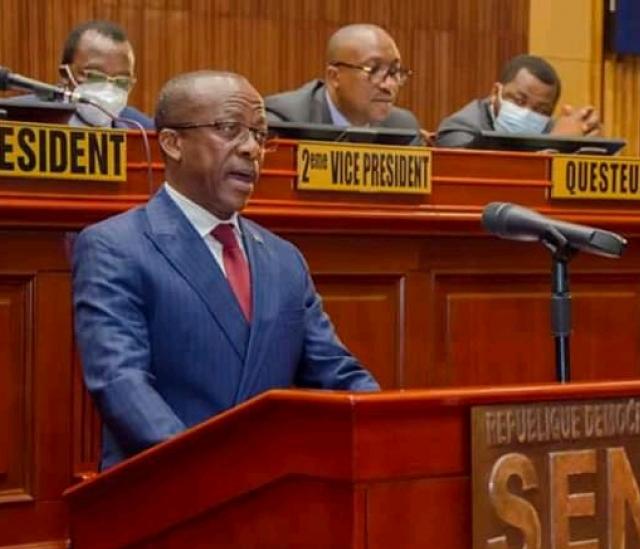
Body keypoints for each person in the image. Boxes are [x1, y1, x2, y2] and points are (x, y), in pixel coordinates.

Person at [72, 70, 379, 470]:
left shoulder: (284, 259)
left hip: (272, 498)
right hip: (168, 496)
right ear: (172, 143)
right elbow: (121, 384)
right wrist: (211, 473)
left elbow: (336, 373)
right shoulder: (116, 246)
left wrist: (385, 424)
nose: (251, 148)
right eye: (230, 129)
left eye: (259, 134)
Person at [265, 24, 419, 130]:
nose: (389, 85)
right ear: (334, 77)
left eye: (394, 71)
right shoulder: (287, 122)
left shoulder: (402, 127)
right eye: (373, 70)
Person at [436, 54, 602, 148]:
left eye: (541, 110)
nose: (527, 113)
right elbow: (486, 177)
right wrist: (555, 144)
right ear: (495, 93)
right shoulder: (459, 128)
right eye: (519, 101)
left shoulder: (549, 127)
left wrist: (583, 142)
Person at [59, 20, 153, 129]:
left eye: (122, 81)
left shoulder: (141, 129)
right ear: (65, 75)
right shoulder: (36, 117)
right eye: (95, 76)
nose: (108, 89)